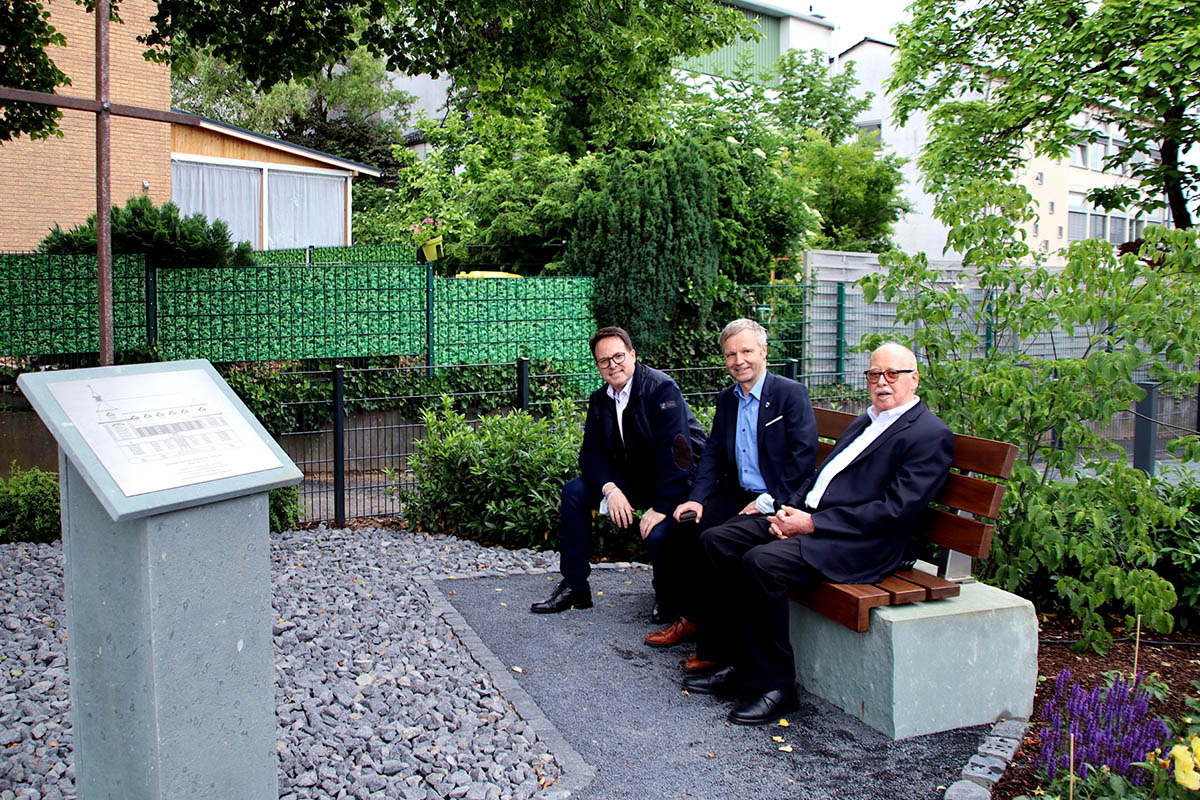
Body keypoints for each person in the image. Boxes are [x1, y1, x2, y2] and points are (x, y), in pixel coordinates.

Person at [681, 342, 954, 726]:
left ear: (915, 379)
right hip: (814, 520)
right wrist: (785, 509)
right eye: (874, 374)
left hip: (862, 543)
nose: (882, 383)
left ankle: (776, 686)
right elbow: (819, 478)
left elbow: (895, 511)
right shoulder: (868, 419)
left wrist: (810, 524)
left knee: (761, 562)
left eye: (893, 374)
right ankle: (736, 660)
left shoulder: (928, 433)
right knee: (716, 541)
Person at [644, 319, 817, 653]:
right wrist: (697, 499)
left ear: (764, 351)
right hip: (737, 494)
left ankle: (716, 640)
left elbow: (803, 460)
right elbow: (712, 455)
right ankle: (690, 617)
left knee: (715, 541)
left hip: (777, 501)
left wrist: (770, 501)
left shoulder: (789, 395)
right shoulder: (727, 399)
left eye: (747, 351)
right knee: (684, 526)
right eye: (731, 354)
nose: (739, 361)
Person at [531, 326, 706, 615]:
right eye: (604, 361)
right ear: (598, 366)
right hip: (635, 477)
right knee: (574, 492)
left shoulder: (661, 388)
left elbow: (679, 455)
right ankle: (575, 587)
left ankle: (669, 596)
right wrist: (610, 490)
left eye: (619, 356)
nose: (613, 365)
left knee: (659, 533)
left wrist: (661, 506)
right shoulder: (601, 399)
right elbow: (589, 456)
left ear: (633, 355)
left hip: (679, 479)